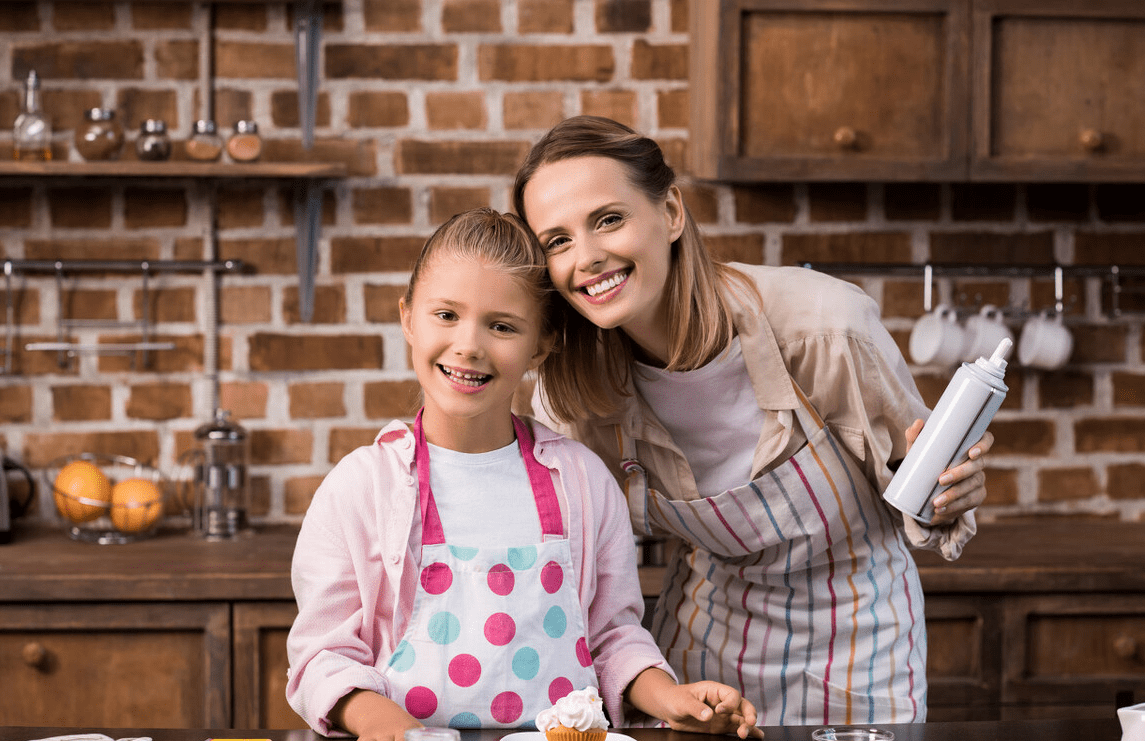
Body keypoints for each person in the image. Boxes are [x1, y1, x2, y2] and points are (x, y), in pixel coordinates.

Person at [511, 116, 995, 726]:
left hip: (861, 646)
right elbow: (590, 571)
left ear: (672, 212)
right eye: (557, 241)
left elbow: (921, 488)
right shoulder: (576, 399)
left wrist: (947, 494)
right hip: (702, 652)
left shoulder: (826, 326)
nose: (587, 257)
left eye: (608, 219)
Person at [285, 207, 762, 741]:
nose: (469, 344)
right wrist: (390, 729)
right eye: (446, 315)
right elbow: (323, 657)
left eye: (502, 326)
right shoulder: (360, 488)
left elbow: (611, 637)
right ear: (407, 319)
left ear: (541, 345)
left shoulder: (581, 481)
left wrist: (671, 699)